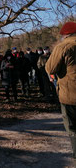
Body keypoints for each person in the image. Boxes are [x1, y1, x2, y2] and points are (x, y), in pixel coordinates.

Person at [45, 21, 76, 163]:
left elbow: (50, 68)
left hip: (71, 95)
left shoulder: (63, 46)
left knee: (72, 127)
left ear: (65, 34)